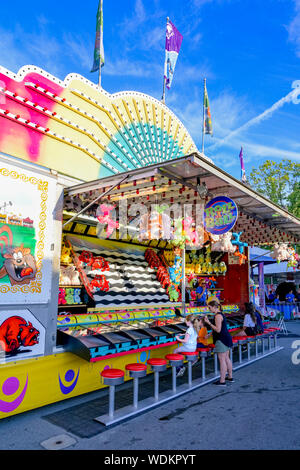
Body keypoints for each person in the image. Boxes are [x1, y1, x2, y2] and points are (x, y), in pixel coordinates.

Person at [204, 300, 233, 386]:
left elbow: (218, 329)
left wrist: (208, 322)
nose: (209, 309)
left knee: (222, 360)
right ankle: (230, 377)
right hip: (226, 338)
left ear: (214, 307)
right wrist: (210, 334)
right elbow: (218, 328)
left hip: (221, 339)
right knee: (227, 358)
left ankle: (222, 381)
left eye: (209, 307)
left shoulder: (217, 316)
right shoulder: (221, 314)